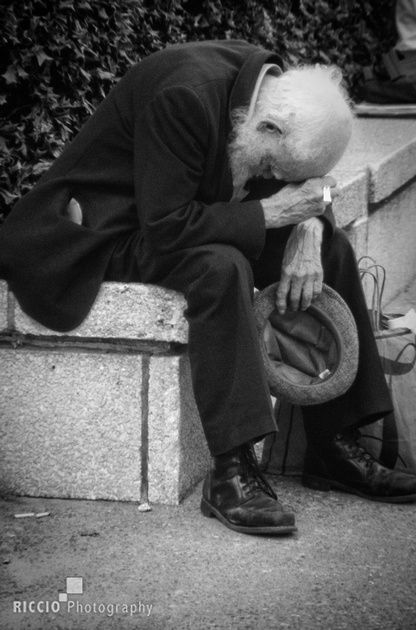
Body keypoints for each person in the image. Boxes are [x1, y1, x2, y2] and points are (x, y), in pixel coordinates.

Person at [1, 40, 416, 536]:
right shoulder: (183, 97)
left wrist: (311, 224)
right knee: (221, 266)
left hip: (174, 217)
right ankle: (231, 470)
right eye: (269, 170)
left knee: (330, 251)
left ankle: (335, 446)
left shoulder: (271, 93)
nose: (271, 179)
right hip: (101, 233)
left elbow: (315, 184)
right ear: (266, 129)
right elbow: (166, 227)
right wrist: (270, 212)